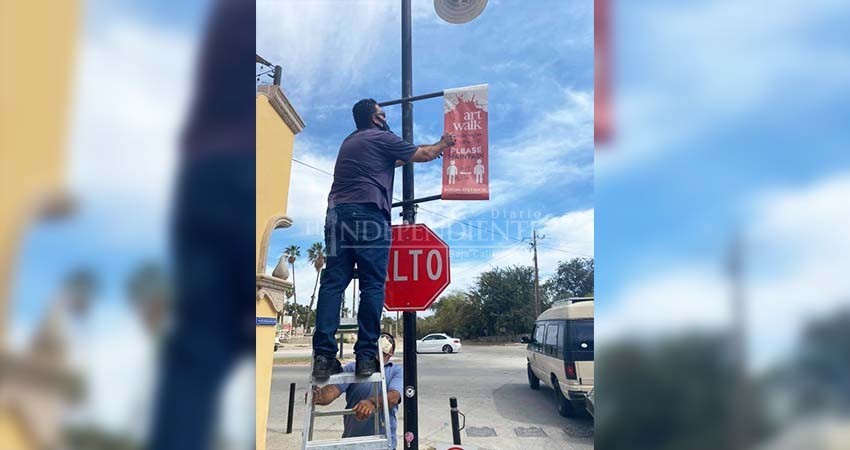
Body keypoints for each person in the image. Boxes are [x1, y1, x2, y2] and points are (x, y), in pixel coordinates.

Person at [312, 99, 454, 379]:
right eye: (383, 114)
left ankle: (324, 357)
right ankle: (366, 356)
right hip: (368, 214)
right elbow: (422, 154)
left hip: (336, 217)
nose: (386, 117)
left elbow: (398, 158)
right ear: (375, 119)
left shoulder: (350, 142)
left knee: (332, 283)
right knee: (372, 284)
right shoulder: (382, 136)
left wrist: (427, 149)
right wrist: (443, 144)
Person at [312, 333, 403, 449]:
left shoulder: (396, 371)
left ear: (391, 353)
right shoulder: (352, 368)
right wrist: (319, 396)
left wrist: (372, 403)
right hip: (353, 443)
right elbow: (333, 390)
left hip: (383, 445)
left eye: (386, 346)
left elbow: (394, 397)